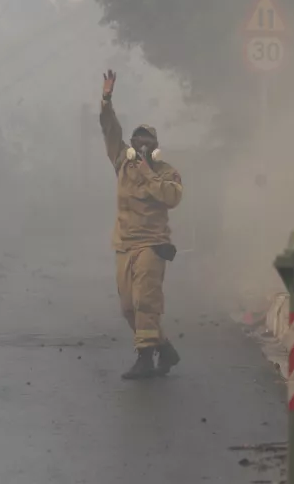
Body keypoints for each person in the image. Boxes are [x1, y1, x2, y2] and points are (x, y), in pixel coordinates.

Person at [100, 69, 183, 380]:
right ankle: (166, 349)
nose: (141, 146)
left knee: (145, 302)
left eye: (146, 142)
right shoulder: (123, 161)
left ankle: (145, 358)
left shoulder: (165, 172)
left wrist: (148, 170)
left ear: (155, 146)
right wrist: (106, 98)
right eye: (137, 141)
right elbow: (109, 129)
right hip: (124, 243)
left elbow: (171, 197)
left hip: (152, 243)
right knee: (127, 308)